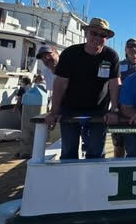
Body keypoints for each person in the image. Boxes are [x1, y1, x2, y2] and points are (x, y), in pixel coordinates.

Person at [45, 17, 120, 159]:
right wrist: (54, 111)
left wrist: (114, 110)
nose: (97, 38)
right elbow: (60, 83)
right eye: (94, 33)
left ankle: (94, 173)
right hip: (70, 109)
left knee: (96, 152)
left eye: (102, 35)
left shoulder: (111, 56)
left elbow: (115, 84)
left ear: (106, 38)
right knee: (68, 151)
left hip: (98, 110)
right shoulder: (70, 53)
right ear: (87, 33)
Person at [112, 38, 136, 157]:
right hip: (120, 111)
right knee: (118, 144)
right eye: (130, 46)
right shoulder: (118, 66)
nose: (133, 48)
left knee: (135, 147)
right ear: (125, 50)